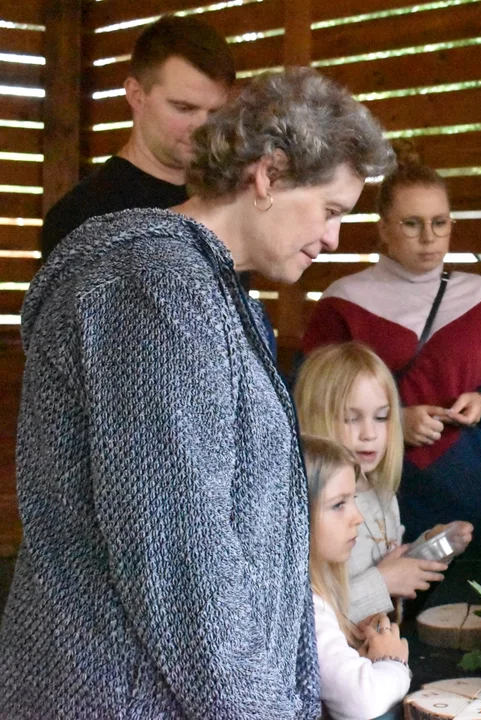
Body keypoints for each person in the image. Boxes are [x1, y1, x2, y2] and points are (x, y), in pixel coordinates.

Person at [0, 68, 394, 717]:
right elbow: (181, 567)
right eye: (330, 211)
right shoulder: (157, 292)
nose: (332, 239)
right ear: (268, 173)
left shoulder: (201, 288)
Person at [301, 144, 481, 554]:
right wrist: (393, 424)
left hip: (469, 489)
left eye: (439, 223)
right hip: (374, 495)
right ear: (384, 228)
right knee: (382, 609)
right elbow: (309, 398)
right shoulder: (344, 302)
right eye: (411, 224)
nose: (428, 237)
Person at [294, 341, 473, 624]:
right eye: (351, 419)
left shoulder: (381, 491)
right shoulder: (309, 509)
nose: (369, 434)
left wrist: (428, 549)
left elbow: (386, 562)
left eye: (381, 417)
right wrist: (383, 582)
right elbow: (307, 621)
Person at [40, 15, 233, 261]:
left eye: (216, 112)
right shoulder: (79, 216)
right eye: (184, 108)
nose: (204, 127)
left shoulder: (224, 204)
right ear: (136, 95)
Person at [301, 435, 411, 720]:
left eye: (353, 500)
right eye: (339, 505)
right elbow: (361, 702)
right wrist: (393, 662)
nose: (357, 517)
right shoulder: (305, 603)